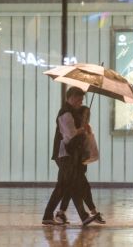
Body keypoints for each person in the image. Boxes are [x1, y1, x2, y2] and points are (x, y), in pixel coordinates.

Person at [42, 87, 98, 226]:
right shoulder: (65, 113)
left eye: (81, 99)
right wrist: (82, 130)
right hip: (65, 154)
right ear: (70, 98)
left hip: (69, 154)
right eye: (78, 99)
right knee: (71, 184)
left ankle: (49, 215)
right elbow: (70, 135)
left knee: (64, 185)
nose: (80, 101)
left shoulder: (72, 113)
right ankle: (83, 216)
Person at [55, 106, 105, 224]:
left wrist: (88, 132)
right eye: (83, 115)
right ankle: (92, 212)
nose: (85, 117)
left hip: (80, 162)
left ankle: (61, 213)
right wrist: (80, 132)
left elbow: (90, 145)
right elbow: (69, 142)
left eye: (87, 116)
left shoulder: (86, 128)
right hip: (71, 161)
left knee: (70, 188)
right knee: (83, 187)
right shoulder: (74, 127)